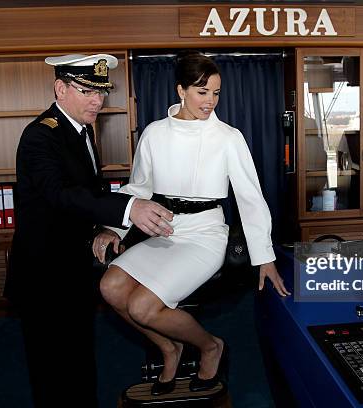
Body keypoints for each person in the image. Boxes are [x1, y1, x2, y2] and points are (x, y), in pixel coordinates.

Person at [92, 51, 290, 396]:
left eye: (216, 93)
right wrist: (114, 228)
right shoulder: (154, 133)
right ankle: (171, 348)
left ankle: (210, 346)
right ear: (180, 90)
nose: (210, 101)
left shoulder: (229, 137)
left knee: (142, 306)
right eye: (202, 92)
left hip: (206, 235)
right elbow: (138, 189)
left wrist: (265, 257)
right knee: (110, 288)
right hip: (164, 231)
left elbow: (250, 199)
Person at [5, 53, 173, 407]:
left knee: (79, 357)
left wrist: (105, 228)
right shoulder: (41, 135)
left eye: (102, 92)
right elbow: (60, 193)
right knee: (52, 369)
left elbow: (90, 194)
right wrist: (129, 208)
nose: (97, 100)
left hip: (75, 270)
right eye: (86, 91)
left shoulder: (79, 130)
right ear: (60, 88)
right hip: (44, 276)